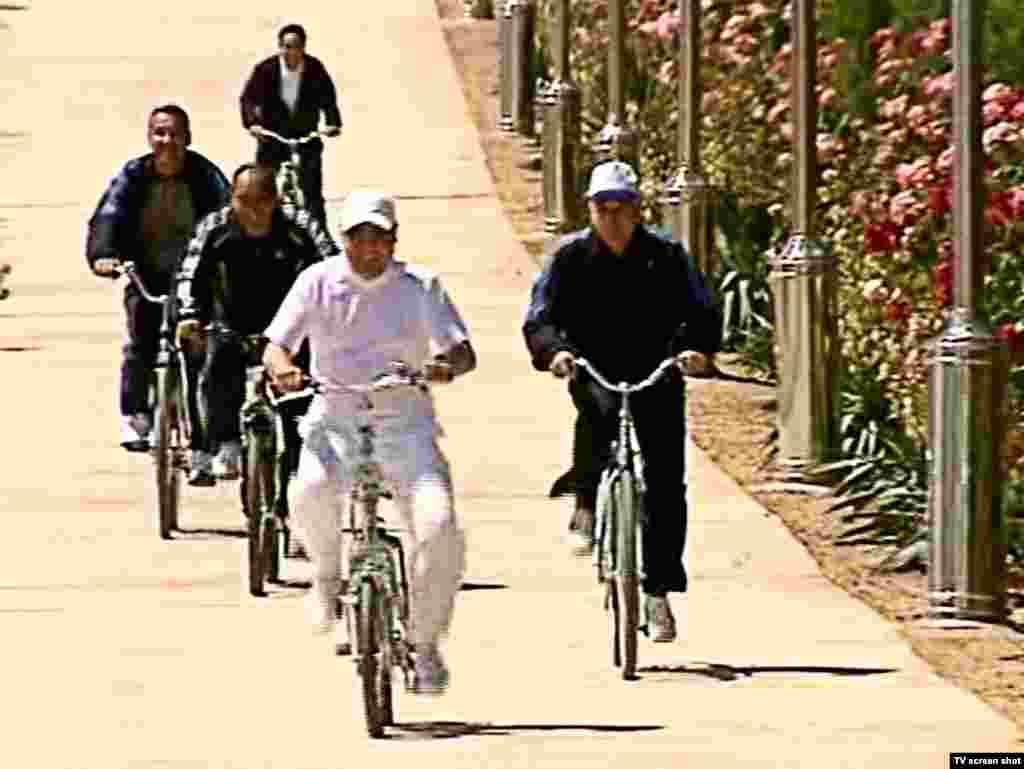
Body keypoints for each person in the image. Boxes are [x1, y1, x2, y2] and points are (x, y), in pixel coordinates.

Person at [263, 189, 476, 695]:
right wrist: (285, 370)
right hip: (335, 418)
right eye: (359, 237)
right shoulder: (316, 282)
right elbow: (277, 344)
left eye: (379, 237)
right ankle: (327, 577)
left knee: (438, 527)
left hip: (405, 423)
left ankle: (425, 643)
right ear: (344, 240)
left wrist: (443, 368)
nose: (369, 247)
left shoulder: (420, 287)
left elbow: (463, 350)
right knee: (308, 491)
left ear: (394, 239)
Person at [522, 160, 722, 642]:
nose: (612, 217)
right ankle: (586, 501)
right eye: (602, 207)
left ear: (638, 210)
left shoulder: (667, 256)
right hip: (593, 366)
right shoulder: (569, 258)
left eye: (622, 208)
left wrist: (696, 350)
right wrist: (556, 353)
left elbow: (701, 310)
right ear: (589, 209)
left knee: (666, 481)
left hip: (656, 369)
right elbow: (540, 318)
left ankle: (657, 592)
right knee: (596, 415)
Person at [174, 164, 338, 486]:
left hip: (289, 331)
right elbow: (188, 275)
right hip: (232, 324)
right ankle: (226, 442)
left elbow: (331, 269)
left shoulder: (300, 225)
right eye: (243, 200)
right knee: (218, 365)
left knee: (302, 391)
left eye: (262, 200)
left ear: (276, 200)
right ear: (232, 199)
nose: (253, 210)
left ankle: (299, 457)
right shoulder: (215, 227)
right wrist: (190, 315)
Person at [86, 104, 230, 452]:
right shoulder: (133, 176)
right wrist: (104, 256)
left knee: (200, 352)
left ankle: (205, 432)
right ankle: (137, 416)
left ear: (188, 138)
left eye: (174, 134)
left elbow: (227, 219)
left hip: (194, 279)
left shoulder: (205, 176)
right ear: (150, 137)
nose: (167, 141)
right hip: (146, 274)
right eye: (159, 133)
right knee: (140, 344)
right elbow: (109, 215)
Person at [240, 23, 342, 228]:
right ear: (279, 47)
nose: (290, 52)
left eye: (295, 47)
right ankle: (261, 229)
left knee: (312, 192)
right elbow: (248, 99)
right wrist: (252, 124)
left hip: (305, 137)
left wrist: (332, 123)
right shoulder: (265, 70)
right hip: (272, 138)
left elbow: (328, 98)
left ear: (303, 47)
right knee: (263, 187)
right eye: (286, 46)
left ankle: (321, 237)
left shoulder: (315, 69)